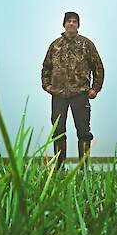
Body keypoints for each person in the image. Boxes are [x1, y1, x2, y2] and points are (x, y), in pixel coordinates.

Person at [41, 12, 104, 169]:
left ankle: (84, 168)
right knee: (58, 131)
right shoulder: (55, 45)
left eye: (74, 21)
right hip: (59, 95)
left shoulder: (86, 44)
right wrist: (47, 85)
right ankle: (59, 167)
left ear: (78, 25)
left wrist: (95, 89)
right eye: (68, 21)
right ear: (64, 24)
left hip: (80, 94)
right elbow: (46, 67)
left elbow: (98, 67)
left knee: (83, 132)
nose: (71, 24)